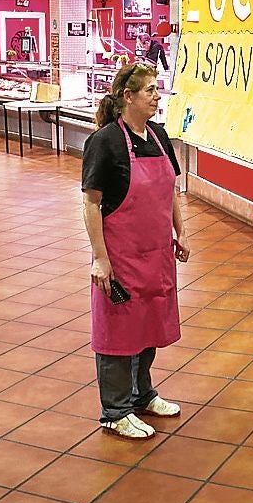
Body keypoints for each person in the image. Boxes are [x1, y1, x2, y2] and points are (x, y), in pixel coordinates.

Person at [81, 63, 190, 439]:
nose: (157, 96)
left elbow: (170, 188)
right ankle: (115, 409)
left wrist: (181, 230)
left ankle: (142, 394)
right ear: (128, 97)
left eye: (157, 90)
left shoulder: (158, 136)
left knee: (148, 324)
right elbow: (91, 204)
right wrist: (99, 258)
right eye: (150, 91)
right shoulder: (106, 142)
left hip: (156, 254)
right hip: (120, 256)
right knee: (118, 331)